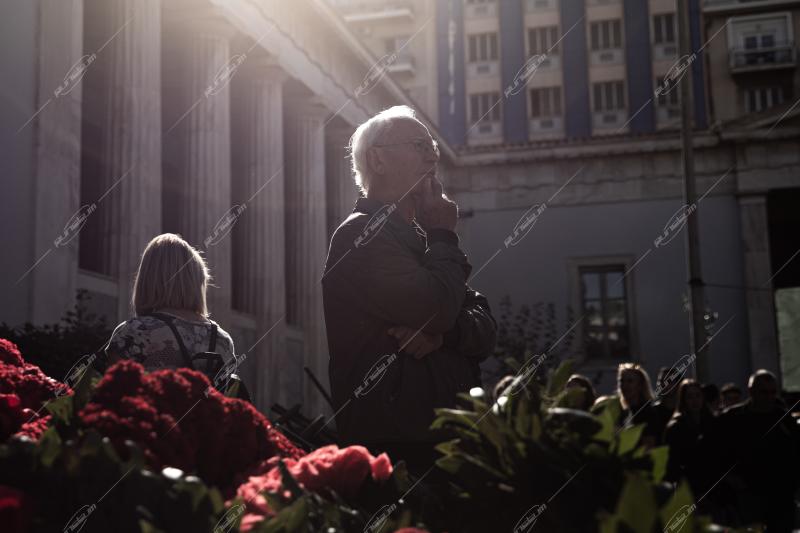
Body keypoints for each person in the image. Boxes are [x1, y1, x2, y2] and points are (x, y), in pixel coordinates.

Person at [322, 106, 497, 473]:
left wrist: (441, 337)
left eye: (432, 145)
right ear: (378, 160)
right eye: (419, 144)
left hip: (441, 437)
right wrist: (445, 236)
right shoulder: (361, 234)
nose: (433, 154)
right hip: (396, 445)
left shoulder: (423, 238)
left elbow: (485, 327)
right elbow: (438, 306)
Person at [104, 233, 236, 373]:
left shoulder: (134, 331)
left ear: (147, 278)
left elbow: (114, 390)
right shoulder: (222, 340)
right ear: (197, 281)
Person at [714, 370, 799, 532]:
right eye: (764, 392)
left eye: (773, 392)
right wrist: (730, 478)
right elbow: (717, 453)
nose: (769, 397)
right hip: (748, 493)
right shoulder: (733, 418)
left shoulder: (783, 418)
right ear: (751, 392)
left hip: (780, 493)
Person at [663, 379, 717, 502]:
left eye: (698, 395)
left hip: (710, 486)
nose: (695, 401)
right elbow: (672, 463)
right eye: (690, 397)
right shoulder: (676, 427)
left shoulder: (711, 422)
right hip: (688, 486)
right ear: (683, 400)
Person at [616, 363, 661, 447]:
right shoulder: (619, 412)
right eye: (622, 381)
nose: (624, 385)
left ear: (640, 385)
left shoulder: (647, 413)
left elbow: (649, 445)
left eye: (630, 381)